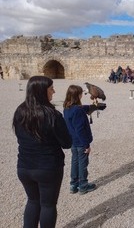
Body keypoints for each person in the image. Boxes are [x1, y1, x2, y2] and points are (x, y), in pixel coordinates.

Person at [13, 76, 72, 228]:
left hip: (24, 167)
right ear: (41, 91)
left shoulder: (20, 111)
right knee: (48, 205)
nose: (54, 91)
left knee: (32, 201)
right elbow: (67, 143)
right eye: (51, 88)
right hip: (48, 167)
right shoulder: (53, 115)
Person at [63, 85, 97, 195]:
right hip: (81, 142)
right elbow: (80, 129)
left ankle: (73, 185)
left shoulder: (67, 108)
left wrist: (93, 107)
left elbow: (80, 108)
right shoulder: (78, 111)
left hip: (73, 141)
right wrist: (86, 145)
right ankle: (83, 186)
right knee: (83, 163)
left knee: (75, 162)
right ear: (78, 95)